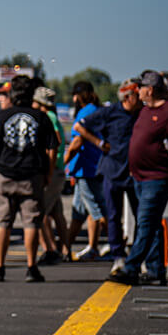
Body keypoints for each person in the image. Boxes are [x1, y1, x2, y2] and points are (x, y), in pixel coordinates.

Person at [111, 70, 168, 286]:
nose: (139, 91)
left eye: (141, 88)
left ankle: (131, 267)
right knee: (151, 224)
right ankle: (155, 271)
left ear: (150, 90)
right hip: (140, 176)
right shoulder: (145, 110)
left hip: (158, 176)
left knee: (144, 222)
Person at [0, 75, 58, 283]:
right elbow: (52, 148)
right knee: (31, 222)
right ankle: (31, 267)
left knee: (3, 221)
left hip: (5, 174)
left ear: (12, 94)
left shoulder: (1, 116)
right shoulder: (41, 117)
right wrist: (48, 173)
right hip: (32, 175)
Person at [74, 80, 140, 263]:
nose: (141, 97)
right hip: (112, 170)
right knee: (112, 215)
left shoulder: (141, 114)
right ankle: (117, 254)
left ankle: (140, 255)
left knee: (141, 216)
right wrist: (99, 143)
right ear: (128, 97)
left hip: (134, 172)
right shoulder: (110, 113)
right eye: (137, 94)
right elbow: (79, 127)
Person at [63, 80, 106, 260]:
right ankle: (65, 248)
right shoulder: (97, 110)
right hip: (91, 167)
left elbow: (77, 142)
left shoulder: (85, 112)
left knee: (96, 212)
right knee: (79, 213)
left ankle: (116, 241)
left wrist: (63, 162)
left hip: (86, 170)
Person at [31, 85, 70, 265]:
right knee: (56, 211)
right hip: (59, 168)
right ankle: (65, 248)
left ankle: (50, 249)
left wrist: (47, 167)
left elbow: (55, 142)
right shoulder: (53, 116)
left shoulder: (48, 118)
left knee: (40, 212)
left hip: (52, 169)